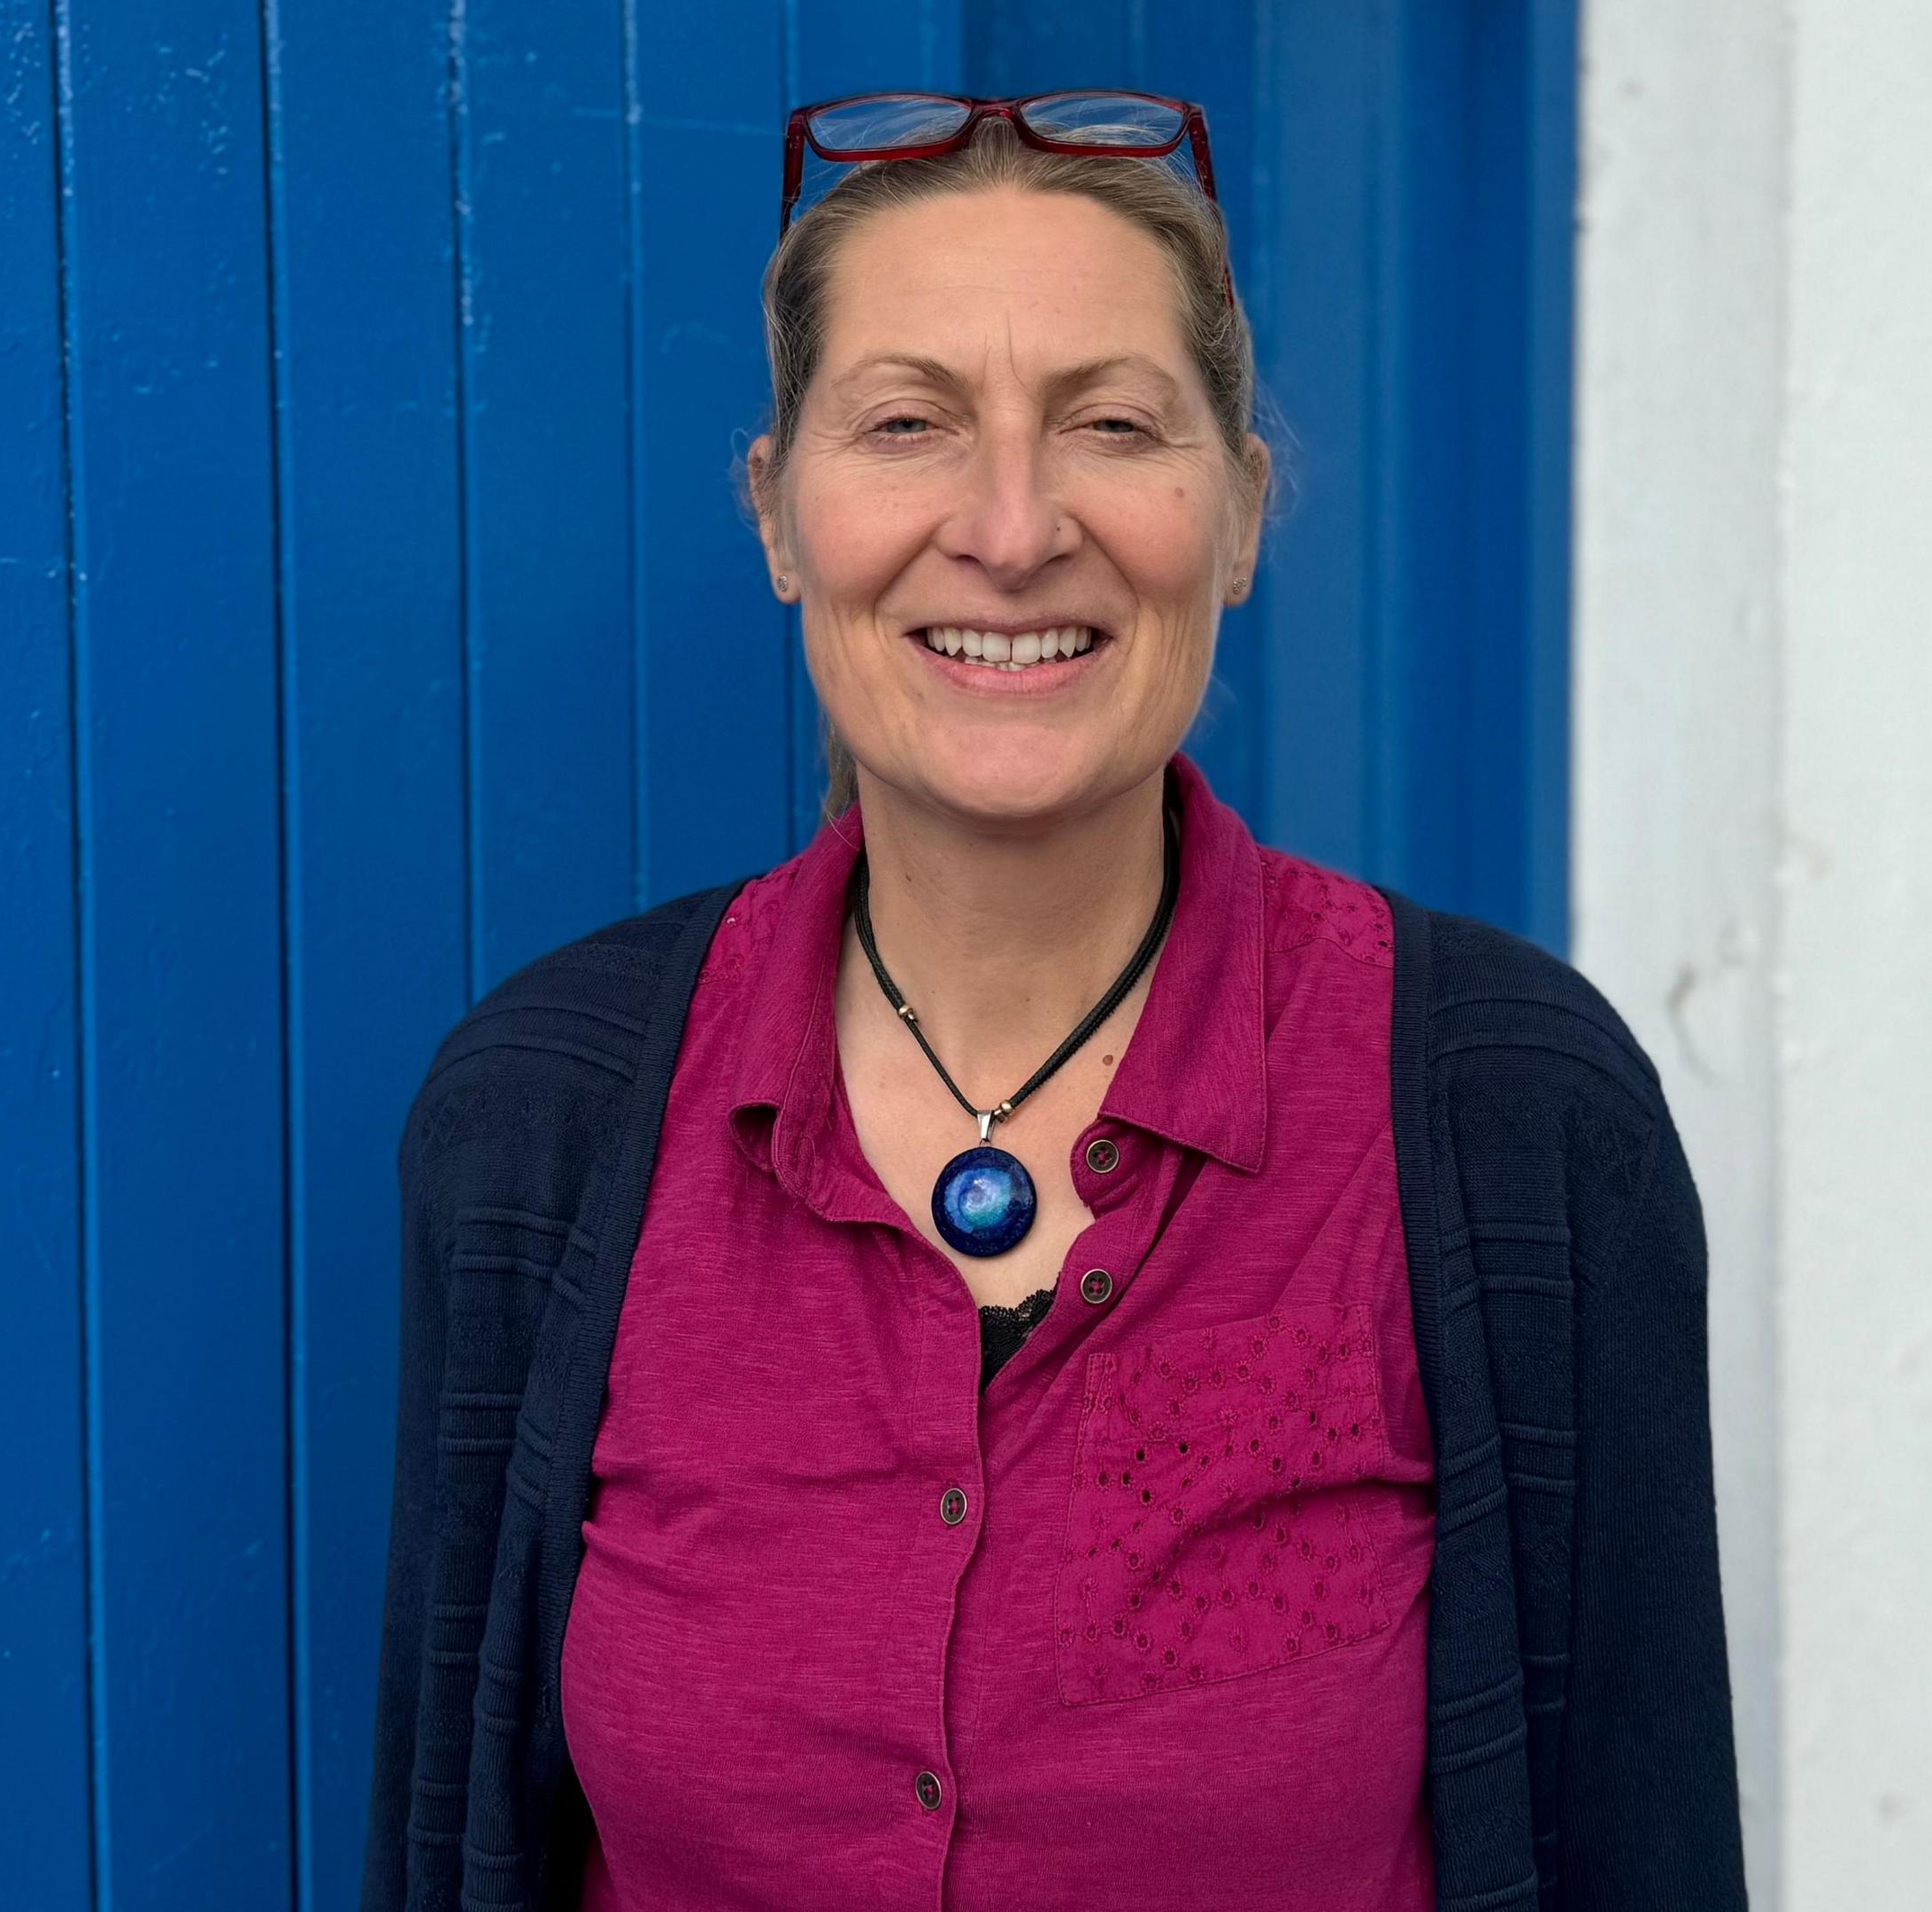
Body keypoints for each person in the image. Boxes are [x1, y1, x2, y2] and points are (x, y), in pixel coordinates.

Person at [359, 90, 1742, 1912]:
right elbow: (450, 1839)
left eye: (1108, 424)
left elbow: (1639, 1845)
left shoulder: (1518, 1119)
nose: (1012, 531)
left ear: (1239, 512)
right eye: (910, 424)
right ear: (781, 513)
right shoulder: (539, 1118)